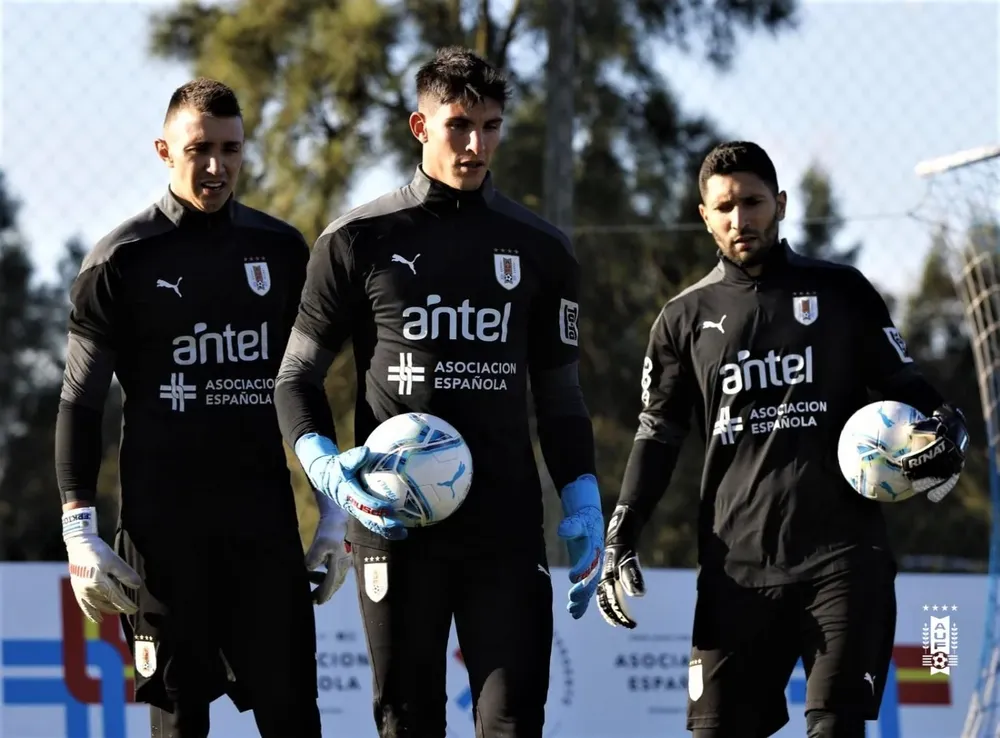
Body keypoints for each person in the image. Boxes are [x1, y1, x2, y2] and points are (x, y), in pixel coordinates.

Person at [273, 46, 604, 737]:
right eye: (459, 125)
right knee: (407, 720)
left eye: (492, 125)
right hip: (394, 528)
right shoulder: (356, 240)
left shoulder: (541, 248)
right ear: (420, 126)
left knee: (513, 720)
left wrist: (581, 497)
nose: (477, 144)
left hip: (505, 529)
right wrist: (325, 470)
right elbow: (295, 376)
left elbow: (561, 397)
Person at [595, 141, 970, 738]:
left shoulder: (842, 291)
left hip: (843, 558)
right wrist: (624, 527)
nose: (739, 220)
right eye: (724, 207)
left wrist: (948, 424)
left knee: (834, 727)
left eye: (753, 202)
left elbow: (905, 382)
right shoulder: (681, 318)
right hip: (735, 567)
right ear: (703, 215)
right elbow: (658, 433)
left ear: (781, 204)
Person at [54, 78, 350, 738]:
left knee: (295, 719)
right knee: (178, 725)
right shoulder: (121, 260)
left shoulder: (280, 251)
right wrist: (79, 524)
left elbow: (301, 383)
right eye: (198, 150)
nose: (216, 166)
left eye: (230, 149)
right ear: (165, 151)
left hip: (264, 532)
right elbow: (80, 398)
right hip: (164, 537)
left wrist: (332, 512)